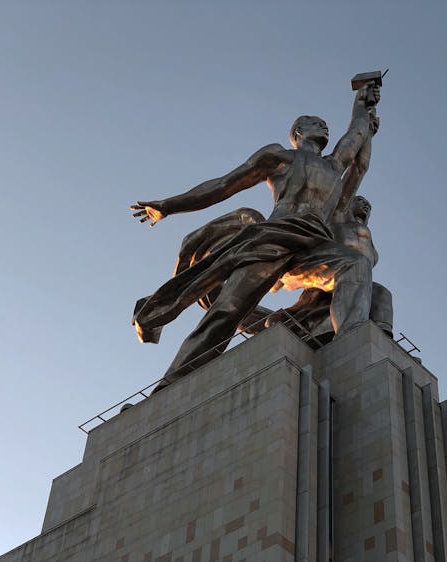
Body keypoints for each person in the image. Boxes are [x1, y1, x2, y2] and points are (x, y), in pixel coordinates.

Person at [131, 82, 381, 389]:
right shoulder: (279, 157)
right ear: (298, 133)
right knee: (227, 312)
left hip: (313, 245)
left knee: (355, 264)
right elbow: (224, 184)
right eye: (315, 122)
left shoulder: (333, 164)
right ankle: (170, 385)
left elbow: (355, 137)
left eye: (325, 123)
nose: (324, 125)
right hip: (273, 240)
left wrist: (363, 102)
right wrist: (169, 206)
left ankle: (352, 341)